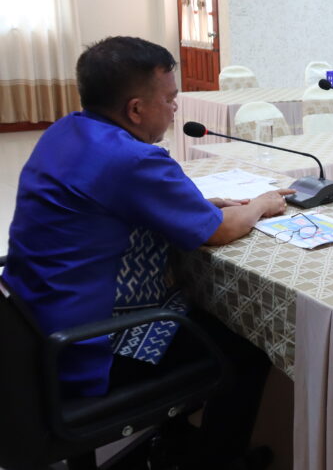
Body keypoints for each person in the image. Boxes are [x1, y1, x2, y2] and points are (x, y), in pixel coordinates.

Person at [2, 36, 292, 469]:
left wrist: (196, 206)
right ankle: (215, 461)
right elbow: (219, 231)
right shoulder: (133, 160)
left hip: (33, 329)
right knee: (247, 348)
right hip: (87, 347)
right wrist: (261, 204)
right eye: (170, 99)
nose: (175, 109)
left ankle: (176, 441)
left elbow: (113, 199)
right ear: (135, 109)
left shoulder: (66, 130)